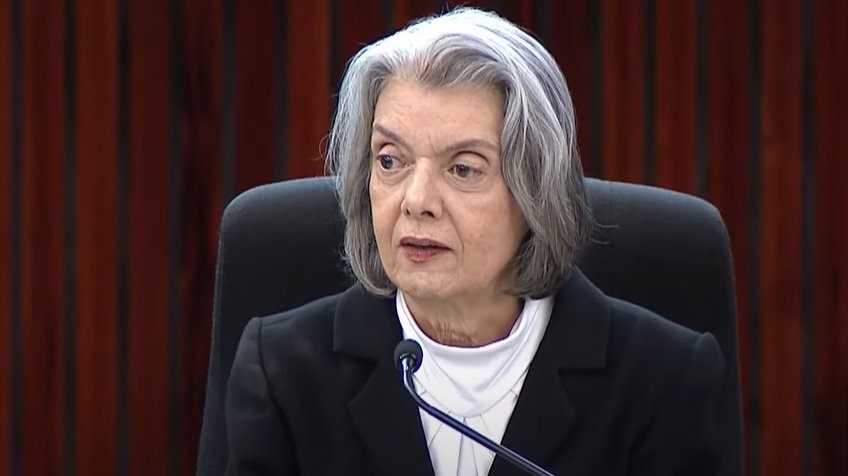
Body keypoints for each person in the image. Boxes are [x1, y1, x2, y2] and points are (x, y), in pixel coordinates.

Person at [225, 7, 725, 476]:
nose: (417, 201)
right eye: (390, 161)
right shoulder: (284, 373)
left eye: (463, 169)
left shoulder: (664, 382)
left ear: (535, 190)